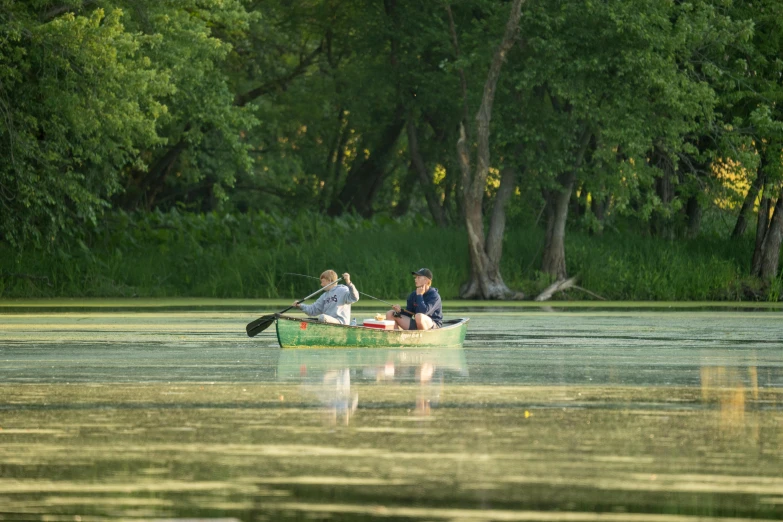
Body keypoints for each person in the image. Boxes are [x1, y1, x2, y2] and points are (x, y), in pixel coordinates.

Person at [294, 270, 359, 324]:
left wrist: (348, 282)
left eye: (323, 282)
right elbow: (313, 310)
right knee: (305, 321)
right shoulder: (324, 296)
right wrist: (300, 306)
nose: (321, 284)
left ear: (330, 280)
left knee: (322, 317)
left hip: (340, 323)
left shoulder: (343, 290)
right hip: (328, 322)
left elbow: (355, 298)